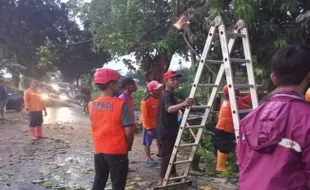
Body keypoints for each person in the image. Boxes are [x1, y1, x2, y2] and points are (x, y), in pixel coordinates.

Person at [237, 44, 310, 190]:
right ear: (308, 77)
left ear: (273, 78)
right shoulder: (306, 119)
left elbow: (241, 163)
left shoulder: (249, 118)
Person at [88, 68, 135, 190]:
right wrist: (127, 146)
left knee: (99, 181)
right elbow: (129, 131)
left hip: (99, 150)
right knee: (118, 185)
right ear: (111, 84)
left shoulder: (92, 104)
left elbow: (95, 124)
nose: (118, 85)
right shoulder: (121, 104)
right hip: (117, 151)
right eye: (116, 82)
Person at [156, 70, 195, 185]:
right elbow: (169, 109)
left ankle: (172, 174)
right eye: (172, 80)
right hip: (166, 130)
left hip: (168, 129)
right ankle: (162, 179)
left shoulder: (168, 94)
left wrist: (184, 105)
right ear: (166, 82)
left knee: (172, 153)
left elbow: (172, 110)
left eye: (177, 79)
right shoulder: (167, 94)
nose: (176, 81)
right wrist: (183, 104)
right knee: (167, 155)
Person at [214, 85, 251, 172]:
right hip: (224, 128)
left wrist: (253, 94)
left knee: (227, 146)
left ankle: (222, 165)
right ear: (230, 93)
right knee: (224, 147)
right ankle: (220, 167)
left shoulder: (234, 99)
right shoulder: (232, 102)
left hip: (225, 128)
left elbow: (244, 99)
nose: (237, 92)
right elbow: (246, 108)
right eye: (235, 91)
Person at [141, 80, 162, 167]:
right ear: (152, 91)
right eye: (158, 89)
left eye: (160, 88)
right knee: (147, 142)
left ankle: (160, 153)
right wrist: (149, 128)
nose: (160, 90)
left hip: (159, 124)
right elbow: (145, 117)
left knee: (160, 139)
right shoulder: (145, 101)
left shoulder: (161, 97)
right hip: (149, 125)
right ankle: (148, 157)